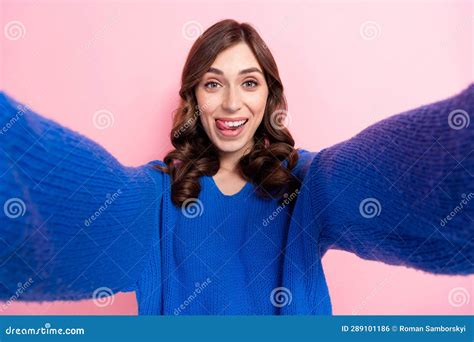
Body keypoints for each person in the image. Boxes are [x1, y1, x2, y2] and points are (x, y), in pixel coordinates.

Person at [0, 19, 472, 315]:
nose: (231, 103)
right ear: (193, 98)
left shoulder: (306, 186)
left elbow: (397, 177)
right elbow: (63, 209)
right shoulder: (153, 198)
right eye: (212, 84)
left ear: (269, 96)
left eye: (249, 82)